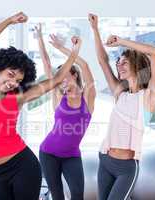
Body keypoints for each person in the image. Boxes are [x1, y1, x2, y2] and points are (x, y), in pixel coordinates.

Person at [0, 12, 82, 200]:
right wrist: (9, 21)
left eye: (18, 80)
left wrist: (74, 53)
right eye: (11, 74)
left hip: (23, 166)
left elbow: (55, 81)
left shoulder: (18, 98)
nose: (13, 82)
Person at [89, 13, 155, 200]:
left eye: (124, 62)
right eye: (118, 62)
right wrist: (95, 29)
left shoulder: (149, 96)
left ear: (136, 65)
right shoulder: (120, 93)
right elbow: (103, 61)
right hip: (105, 160)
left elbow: (154, 52)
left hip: (126, 167)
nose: (119, 66)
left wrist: (122, 41)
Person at [35, 23, 96, 200]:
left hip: (71, 155)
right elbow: (46, 64)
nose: (60, 80)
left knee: (77, 194)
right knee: (57, 195)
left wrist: (67, 48)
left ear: (74, 75)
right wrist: (39, 38)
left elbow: (84, 66)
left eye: (64, 75)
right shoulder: (58, 95)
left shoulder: (88, 97)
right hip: (48, 153)